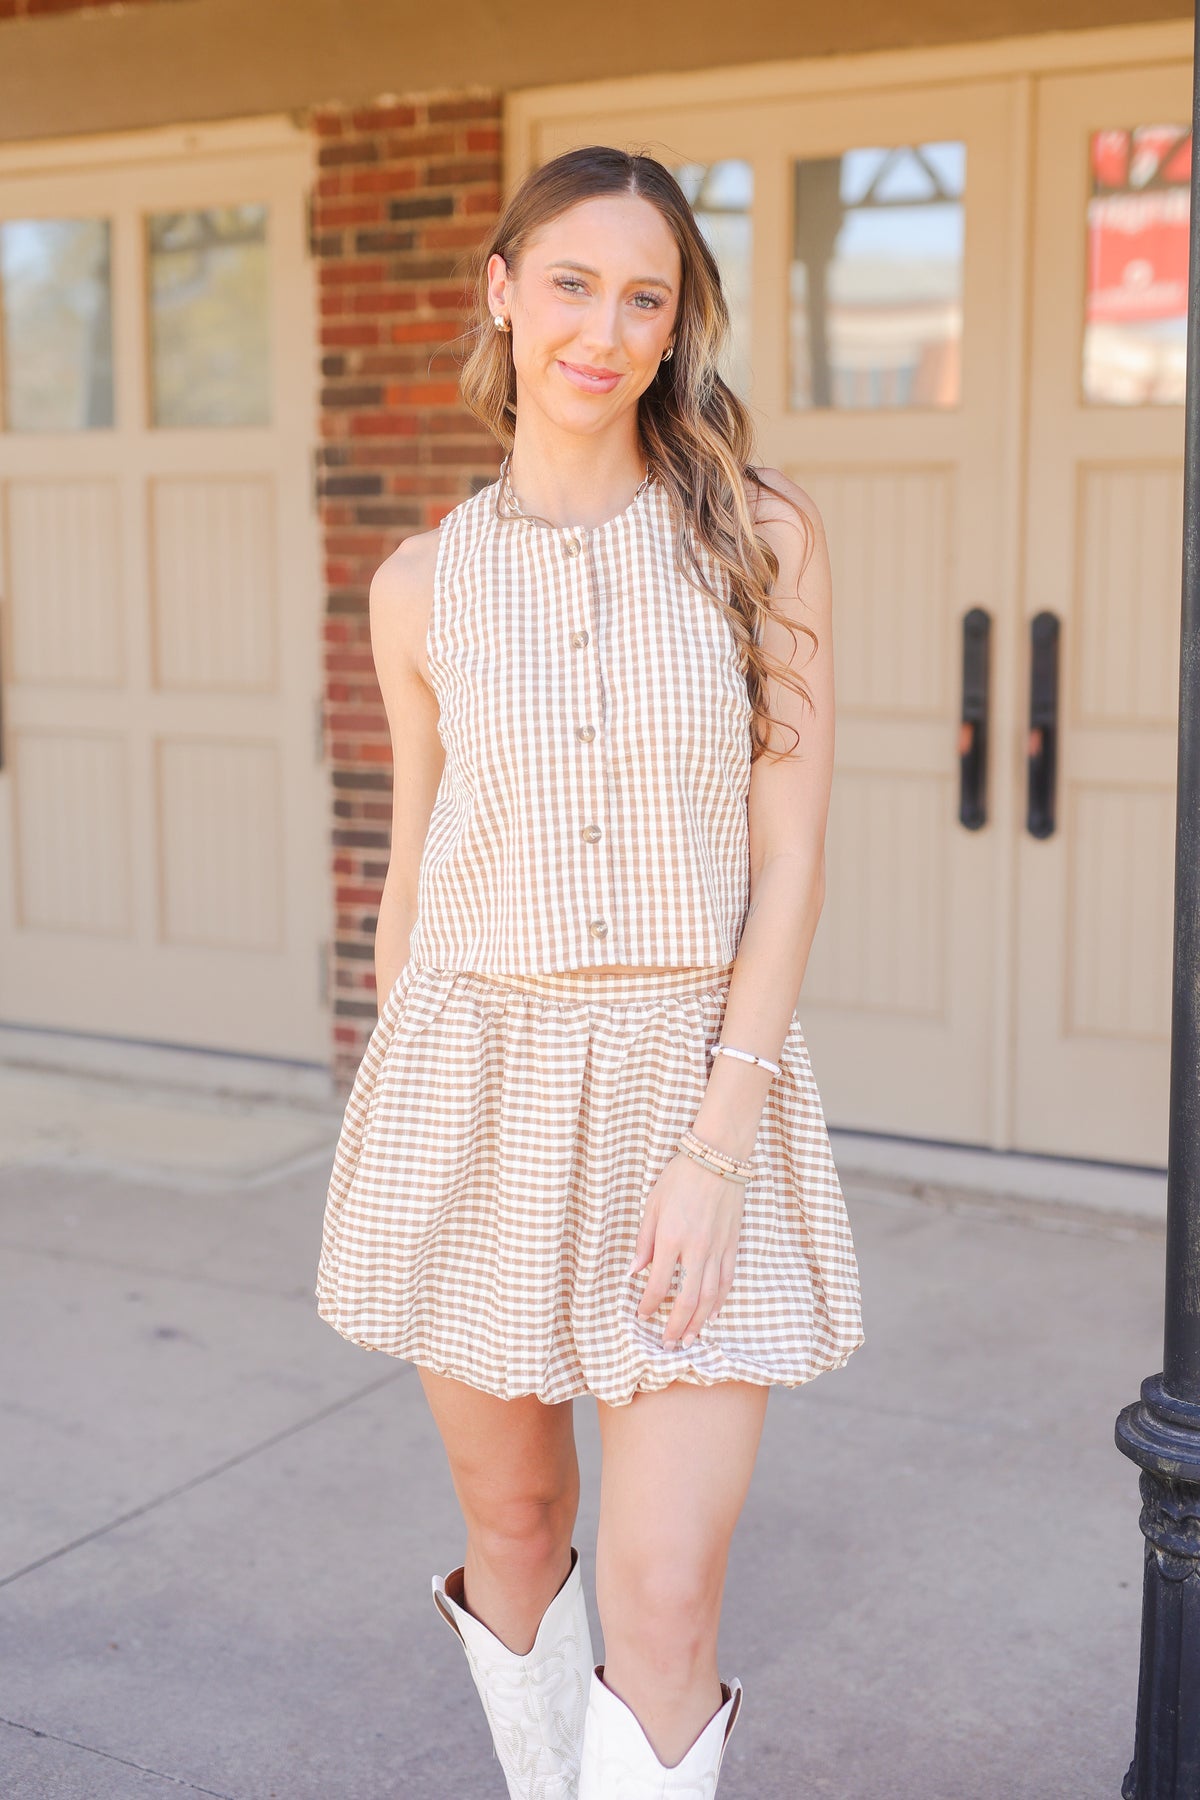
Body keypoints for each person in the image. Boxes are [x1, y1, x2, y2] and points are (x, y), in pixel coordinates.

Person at [315, 143, 865, 1798]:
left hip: (693, 1089)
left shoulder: (760, 541)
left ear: (678, 319)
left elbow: (788, 862)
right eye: (571, 284)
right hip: (467, 1085)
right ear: (501, 292)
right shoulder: (416, 587)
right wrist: (403, 1110)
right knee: (516, 1520)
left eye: (646, 296)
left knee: (666, 1583)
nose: (603, 329)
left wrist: (714, 1144)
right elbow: (417, 870)